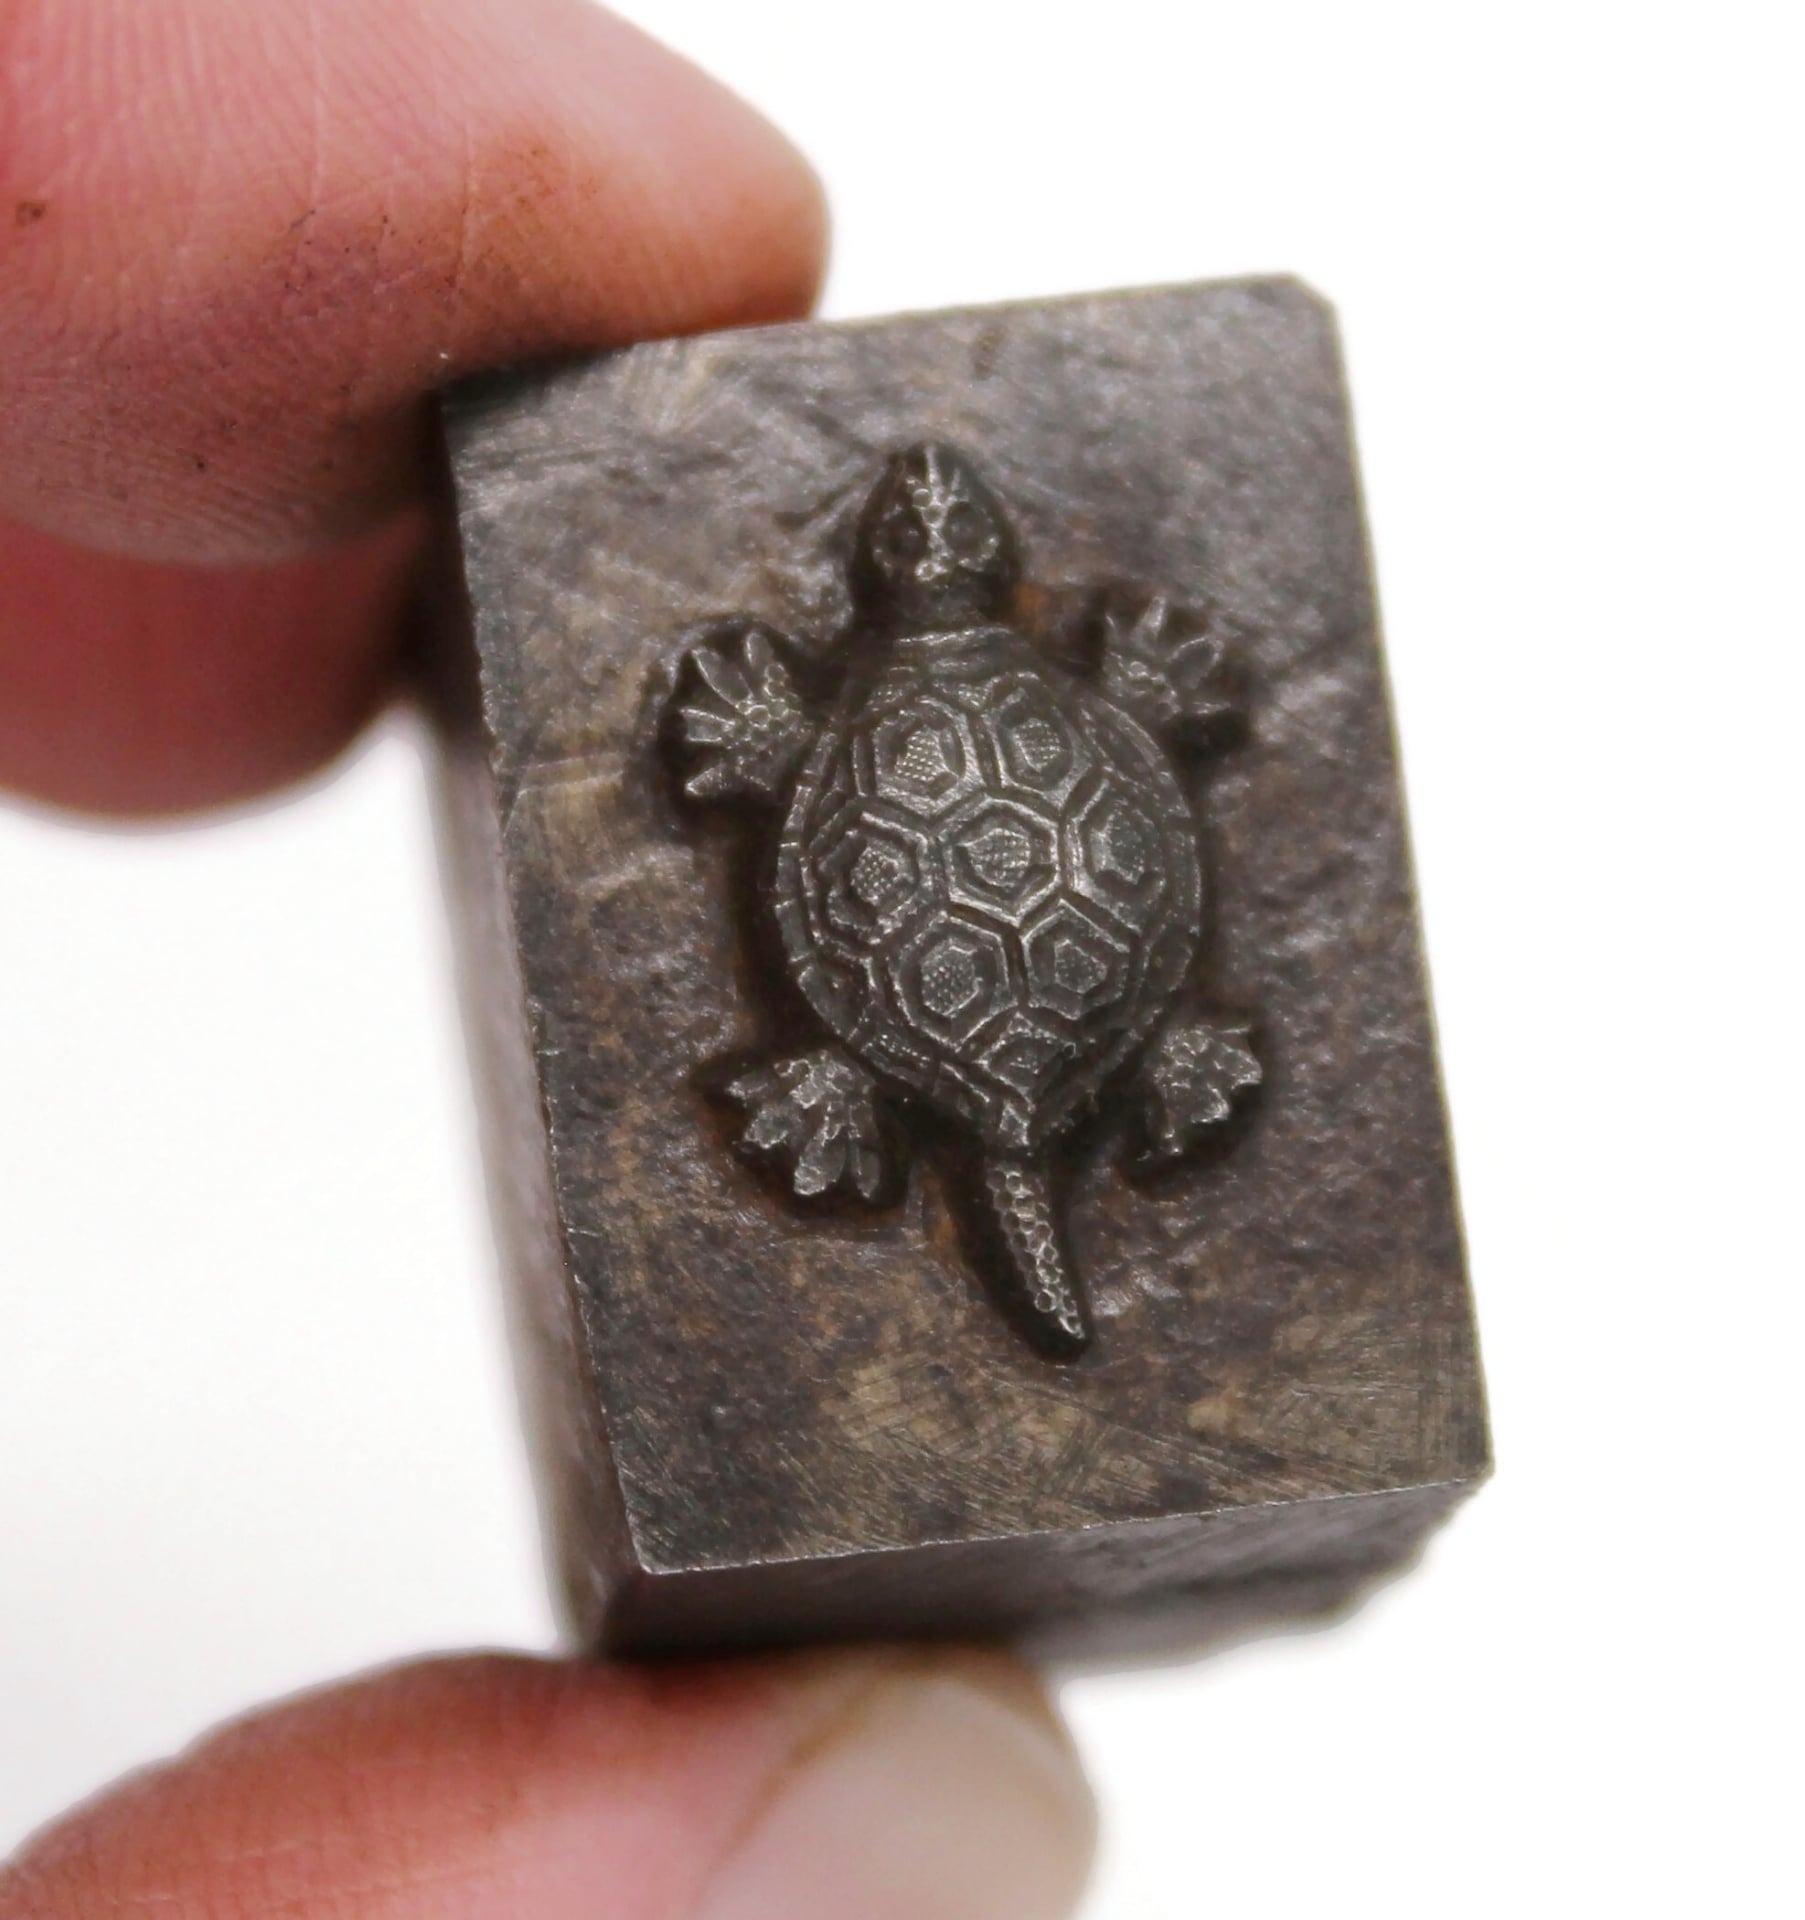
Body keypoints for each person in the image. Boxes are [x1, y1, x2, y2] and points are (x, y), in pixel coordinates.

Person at [0, 4, 1097, 1915]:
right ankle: (885, 1096)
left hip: (915, 981)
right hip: (1019, 961)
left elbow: (788, 774)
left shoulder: (881, 697)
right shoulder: (991, 677)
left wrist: (766, 750)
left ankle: (874, 1095)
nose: (930, 523)